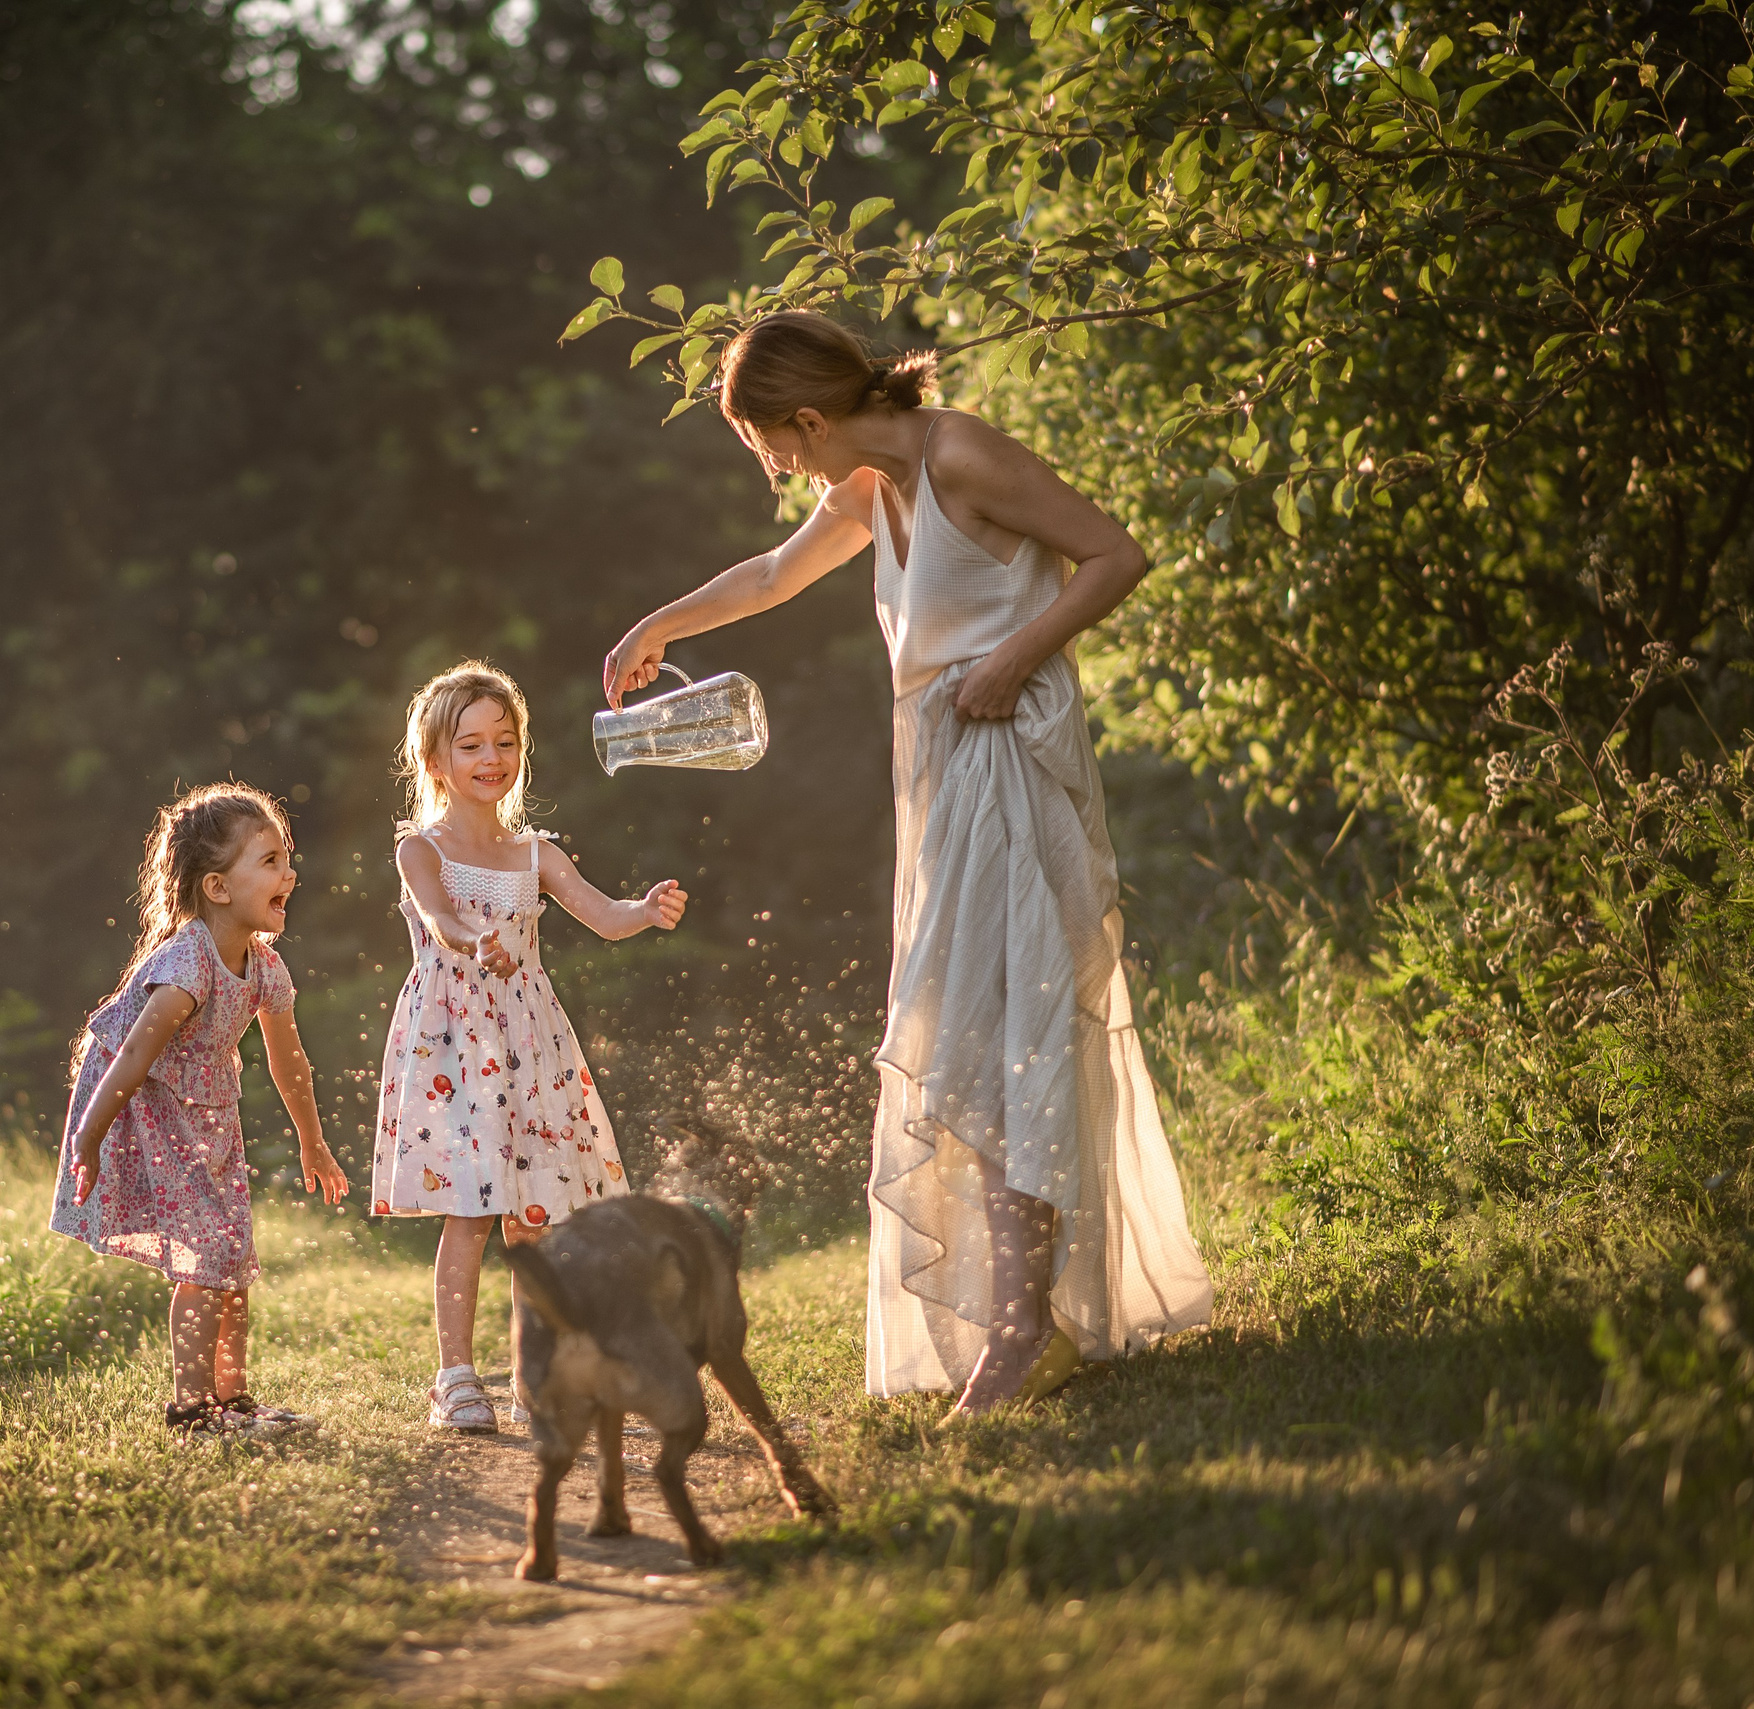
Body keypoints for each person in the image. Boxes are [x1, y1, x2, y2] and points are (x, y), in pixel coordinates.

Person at [603, 312, 1212, 1417]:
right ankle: (1025, 1319)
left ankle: (1025, 1328)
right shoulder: (867, 489)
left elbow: (1116, 553)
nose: (772, 466)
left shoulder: (960, 454)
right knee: (970, 1036)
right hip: (940, 775)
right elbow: (771, 577)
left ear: (805, 417)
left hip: (1011, 761)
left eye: (767, 444)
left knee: (989, 1034)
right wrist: (659, 621)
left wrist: (1012, 657)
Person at [369, 662, 689, 1433]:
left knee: (533, 1219)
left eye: (504, 741)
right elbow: (443, 919)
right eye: (471, 744)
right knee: (470, 1213)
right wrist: (481, 940)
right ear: (436, 761)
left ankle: (531, 1376)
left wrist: (643, 911)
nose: (490, 758)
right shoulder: (422, 848)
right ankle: (455, 1376)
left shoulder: (535, 852)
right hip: (453, 1049)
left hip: (528, 1046)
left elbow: (601, 914)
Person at [50, 782, 350, 1439]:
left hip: (209, 1111)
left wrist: (312, 1140)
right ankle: (192, 1409)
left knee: (232, 1255)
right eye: (268, 860)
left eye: (286, 857)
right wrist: (89, 1137)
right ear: (217, 887)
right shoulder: (187, 966)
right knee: (204, 1254)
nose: (288, 873)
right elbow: (130, 1057)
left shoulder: (264, 968)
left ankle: (233, 1398)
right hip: (147, 1108)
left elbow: (289, 1062)